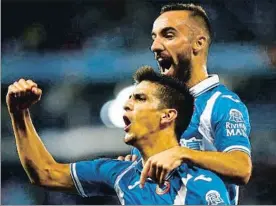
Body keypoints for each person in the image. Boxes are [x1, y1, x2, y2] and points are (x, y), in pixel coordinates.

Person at [7, 66, 230, 205]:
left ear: (167, 116)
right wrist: (19, 113)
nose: (126, 105)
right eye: (129, 98)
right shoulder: (120, 173)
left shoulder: (203, 183)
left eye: (140, 99)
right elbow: (45, 173)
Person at [119, 3, 252, 204]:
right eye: (154, 37)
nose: (155, 46)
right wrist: (133, 170)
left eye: (168, 35)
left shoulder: (222, 104)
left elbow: (242, 168)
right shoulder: (150, 109)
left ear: (198, 43)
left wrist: (182, 153)